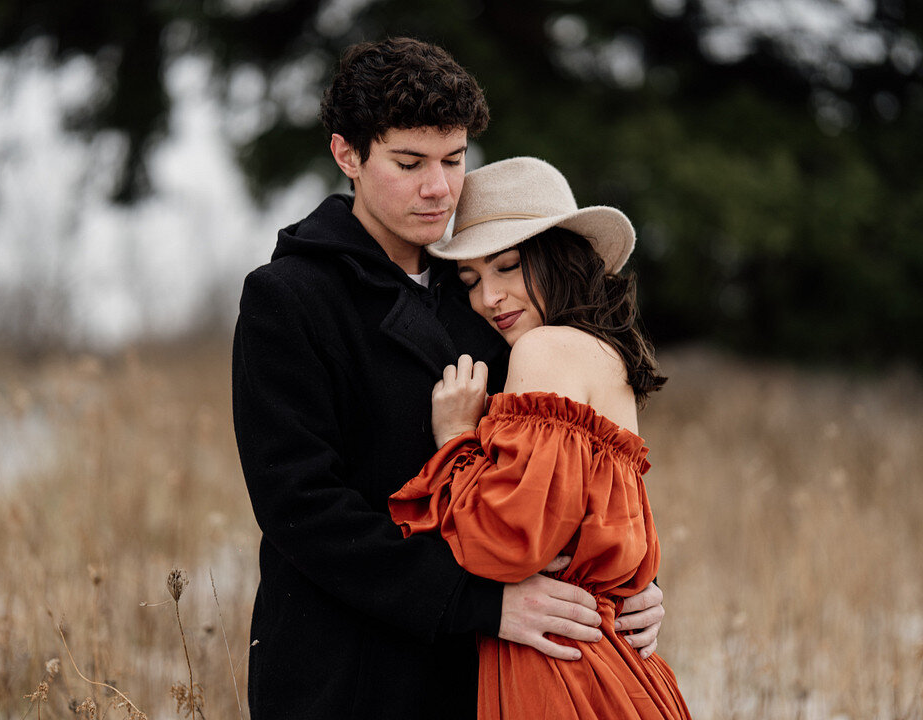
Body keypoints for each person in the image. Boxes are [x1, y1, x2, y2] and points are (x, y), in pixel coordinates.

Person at [232, 39, 665, 720]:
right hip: (346, 672)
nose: (439, 187)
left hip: (484, 677)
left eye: (454, 159)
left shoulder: (491, 299)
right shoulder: (288, 297)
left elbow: (568, 462)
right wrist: (483, 603)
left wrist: (629, 582)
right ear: (348, 155)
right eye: (409, 163)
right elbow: (301, 507)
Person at [389, 155, 691, 718]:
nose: (488, 299)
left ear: (561, 258)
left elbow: (503, 543)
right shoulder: (607, 357)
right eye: (472, 280)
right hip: (621, 669)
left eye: (507, 267)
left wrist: (456, 437)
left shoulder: (543, 349)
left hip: (560, 672)